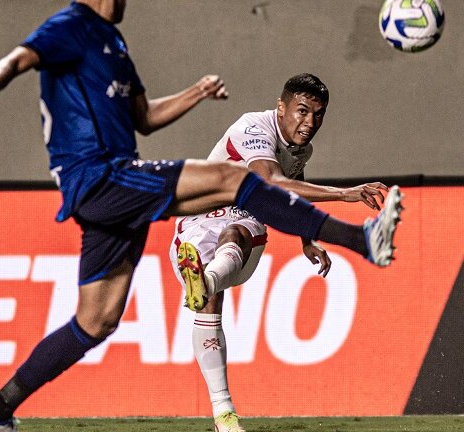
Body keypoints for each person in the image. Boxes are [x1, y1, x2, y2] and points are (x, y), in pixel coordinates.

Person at [0, 0, 401, 431]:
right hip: (102, 174)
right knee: (234, 180)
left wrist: (196, 92)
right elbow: (23, 55)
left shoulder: (113, 44)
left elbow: (144, 118)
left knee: (97, 321)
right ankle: (361, 240)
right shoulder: (73, 25)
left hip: (107, 190)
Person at [169, 73, 400, 432]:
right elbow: (273, 182)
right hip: (199, 220)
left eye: (318, 115)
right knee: (212, 301)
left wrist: (307, 238)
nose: (309, 123)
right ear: (281, 107)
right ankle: (224, 416)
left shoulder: (300, 148)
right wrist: (344, 194)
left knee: (237, 234)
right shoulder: (253, 127)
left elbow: (290, 184)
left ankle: (204, 282)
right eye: (302, 111)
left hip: (242, 218)